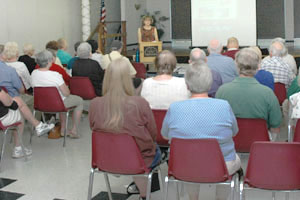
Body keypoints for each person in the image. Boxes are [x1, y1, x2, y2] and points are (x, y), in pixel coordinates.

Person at [161, 63, 241, 200]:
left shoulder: (174, 108)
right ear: (210, 85)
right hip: (221, 166)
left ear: (187, 85)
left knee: (191, 160)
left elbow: (164, 135)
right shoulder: (223, 106)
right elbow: (234, 132)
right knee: (232, 159)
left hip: (184, 165)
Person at [89, 58, 161, 200]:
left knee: (132, 148)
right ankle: (144, 195)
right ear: (128, 79)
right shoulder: (139, 103)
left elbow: (93, 127)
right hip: (138, 159)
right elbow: (153, 134)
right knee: (149, 149)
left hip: (106, 159)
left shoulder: (95, 103)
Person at [216, 48, 282, 141]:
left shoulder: (222, 91)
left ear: (236, 66)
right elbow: (276, 126)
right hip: (260, 144)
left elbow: (219, 124)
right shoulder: (268, 93)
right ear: (258, 66)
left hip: (232, 143)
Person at [32, 50, 83, 138]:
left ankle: (63, 129)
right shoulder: (55, 75)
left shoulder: (34, 73)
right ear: (49, 61)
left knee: (62, 99)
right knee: (79, 101)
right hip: (57, 104)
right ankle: (74, 130)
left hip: (40, 104)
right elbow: (66, 93)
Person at [0, 59, 54, 137]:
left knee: (18, 103)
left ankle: (38, 125)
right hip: (2, 118)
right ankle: (18, 147)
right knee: (19, 108)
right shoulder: (11, 69)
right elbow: (10, 101)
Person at [0, 88, 32, 158]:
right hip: (2, 120)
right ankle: (18, 149)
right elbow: (8, 102)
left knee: (17, 101)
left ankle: (38, 125)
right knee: (20, 113)